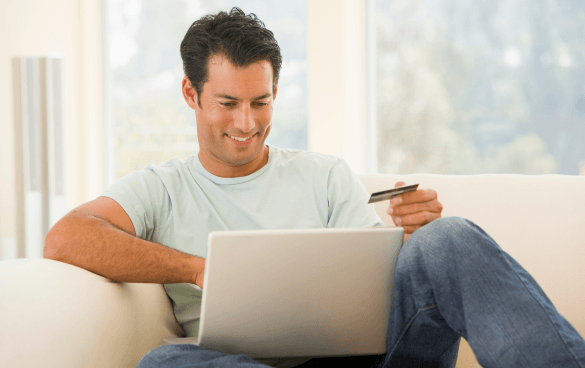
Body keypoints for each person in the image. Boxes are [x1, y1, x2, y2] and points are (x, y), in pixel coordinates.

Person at [44, 7, 585, 368]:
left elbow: (375, 288)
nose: (247, 123)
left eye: (261, 102)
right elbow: (66, 239)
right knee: (164, 363)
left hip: (365, 362)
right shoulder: (161, 188)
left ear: (276, 90)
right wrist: (194, 269)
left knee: (449, 238)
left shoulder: (324, 175)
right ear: (191, 93)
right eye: (228, 104)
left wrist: (409, 241)